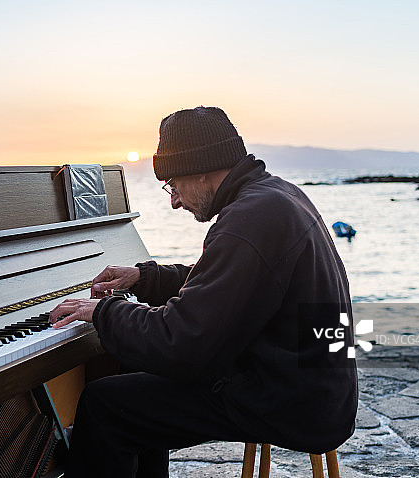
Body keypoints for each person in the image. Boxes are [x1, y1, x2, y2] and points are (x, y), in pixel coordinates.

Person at [50, 106, 357, 478]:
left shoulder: (249, 220)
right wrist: (144, 278)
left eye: (174, 186)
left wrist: (99, 312)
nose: (174, 201)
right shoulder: (275, 195)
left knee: (106, 406)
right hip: (309, 382)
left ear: (201, 171)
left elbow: (179, 343)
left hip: (293, 401)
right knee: (134, 367)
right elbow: (223, 286)